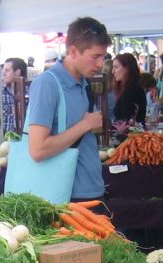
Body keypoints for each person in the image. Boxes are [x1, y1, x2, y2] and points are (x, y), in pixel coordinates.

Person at [26, 17, 109, 203]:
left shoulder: (84, 82)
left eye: (103, 57)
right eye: (95, 57)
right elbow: (37, 150)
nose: (100, 64)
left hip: (91, 188)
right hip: (66, 197)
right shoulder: (47, 84)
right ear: (73, 51)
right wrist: (85, 125)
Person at [111, 53, 147, 124]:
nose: (112, 71)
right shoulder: (129, 89)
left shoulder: (131, 91)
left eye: (116, 67)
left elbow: (129, 120)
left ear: (127, 68)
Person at [2, 57, 27, 135]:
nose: (3, 73)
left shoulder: (30, 93)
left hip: (25, 138)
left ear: (17, 72)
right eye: (3, 70)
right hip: (5, 139)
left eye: (7, 70)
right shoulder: (0, 92)